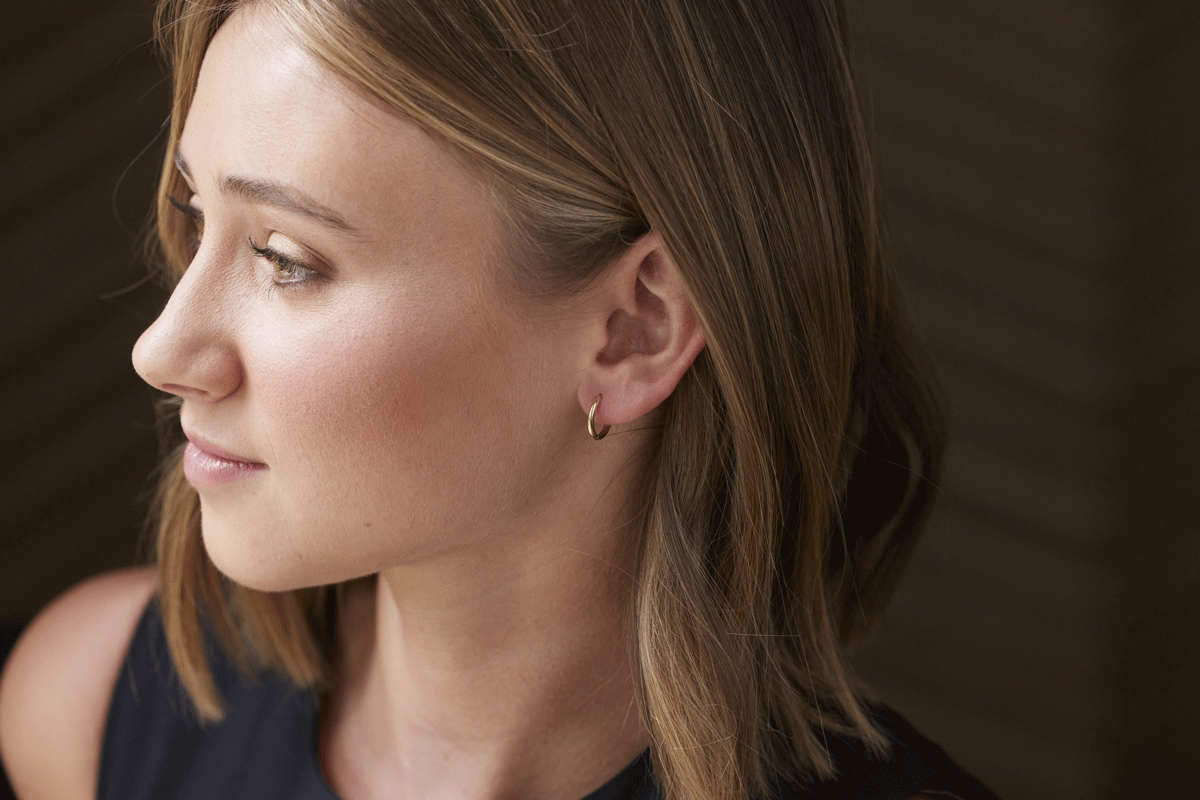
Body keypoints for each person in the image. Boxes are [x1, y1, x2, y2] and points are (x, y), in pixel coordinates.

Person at [0, 0, 999, 798]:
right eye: (193, 210)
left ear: (633, 331)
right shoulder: (89, 709)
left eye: (284, 258)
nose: (161, 347)